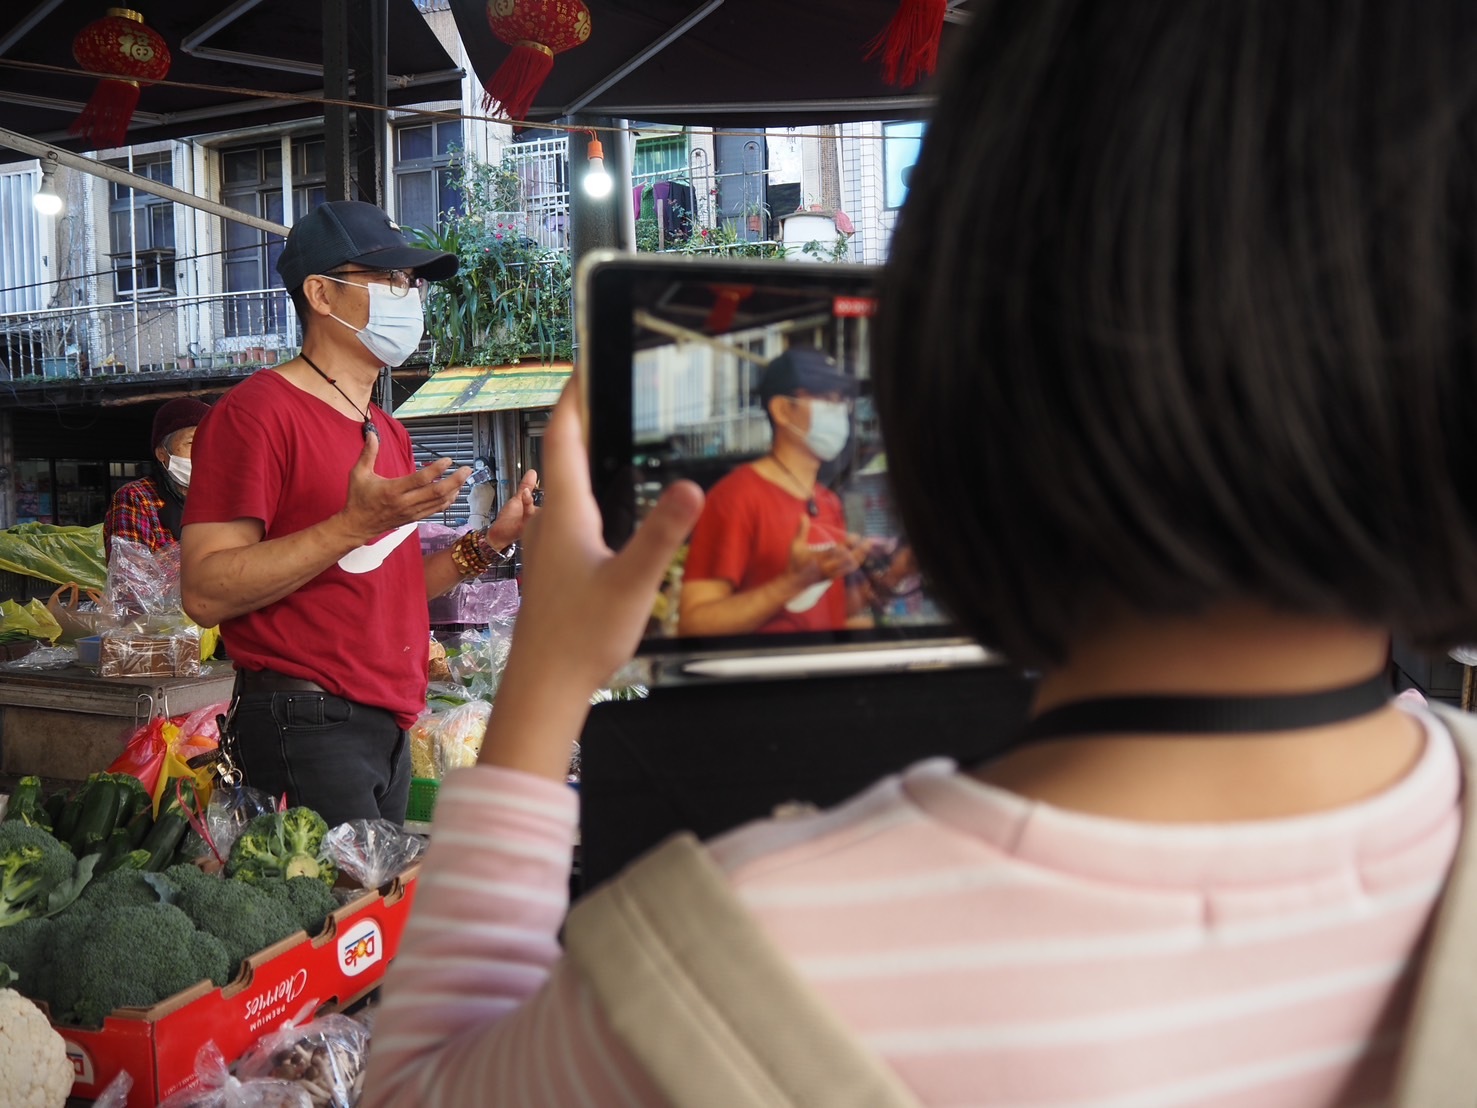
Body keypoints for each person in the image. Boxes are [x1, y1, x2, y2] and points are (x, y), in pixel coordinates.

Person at [361, 2, 1475, 1104]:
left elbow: (416, 1085)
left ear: (951, 365)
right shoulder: (744, 497)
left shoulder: (733, 963)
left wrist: (550, 675)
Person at [180, 201, 537, 827]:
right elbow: (206, 592)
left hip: (388, 726)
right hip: (306, 720)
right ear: (320, 292)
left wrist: (489, 544)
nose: (410, 296)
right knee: (335, 921)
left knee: (370, 920)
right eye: (390, 279)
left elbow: (385, 587)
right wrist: (351, 524)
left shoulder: (385, 430)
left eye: (413, 282)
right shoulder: (255, 413)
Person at [678, 347, 872, 636]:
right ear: (782, 410)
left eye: (842, 400)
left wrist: (896, 574)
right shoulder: (735, 498)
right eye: (826, 398)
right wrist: (791, 583)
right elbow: (694, 624)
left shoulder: (828, 501)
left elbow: (825, 612)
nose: (839, 410)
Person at [103, 397, 210, 560]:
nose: (202, 452)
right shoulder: (136, 498)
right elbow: (129, 576)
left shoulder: (223, 498)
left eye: (210, 442)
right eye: (191, 442)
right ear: (162, 453)